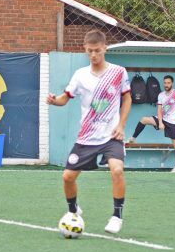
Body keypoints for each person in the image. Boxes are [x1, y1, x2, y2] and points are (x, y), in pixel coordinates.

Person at [47, 29, 131, 234]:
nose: (93, 55)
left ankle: (117, 216)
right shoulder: (80, 75)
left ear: (105, 49)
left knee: (117, 170)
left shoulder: (118, 72)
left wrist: (121, 126)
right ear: (85, 50)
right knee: (67, 177)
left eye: (97, 51)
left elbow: (127, 98)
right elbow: (65, 98)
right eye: (89, 51)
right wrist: (54, 101)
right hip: (86, 137)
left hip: (111, 135)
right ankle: (73, 210)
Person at [128, 75, 175, 172]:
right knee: (144, 119)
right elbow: (159, 110)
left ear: (172, 83)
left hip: (173, 122)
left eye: (168, 83)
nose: (166, 85)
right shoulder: (161, 95)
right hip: (162, 119)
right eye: (165, 83)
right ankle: (133, 139)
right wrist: (160, 122)